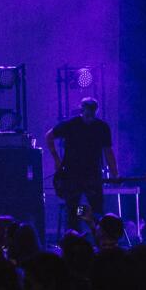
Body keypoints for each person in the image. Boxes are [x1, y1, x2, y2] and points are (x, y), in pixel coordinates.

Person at [45, 97, 117, 231]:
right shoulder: (71, 125)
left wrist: (115, 173)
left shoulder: (101, 127)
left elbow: (108, 151)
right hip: (72, 174)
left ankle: (97, 238)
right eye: (87, 114)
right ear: (82, 110)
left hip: (92, 174)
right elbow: (49, 136)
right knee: (73, 210)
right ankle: (75, 240)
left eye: (92, 114)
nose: (90, 118)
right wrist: (56, 159)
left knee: (96, 210)